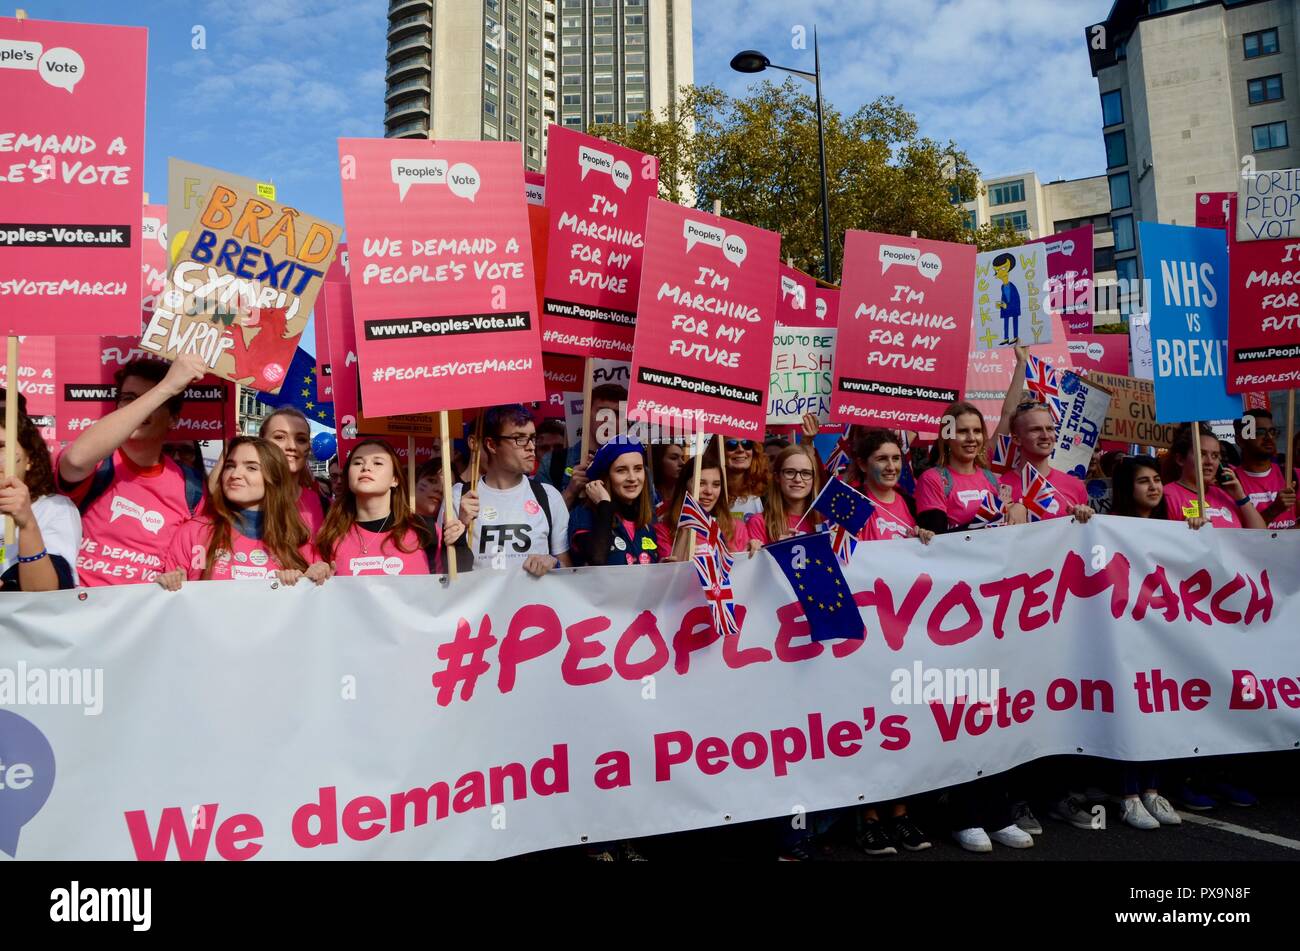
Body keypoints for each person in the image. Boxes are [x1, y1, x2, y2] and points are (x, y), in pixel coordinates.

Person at [56, 355, 209, 586]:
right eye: (128, 399)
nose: (137, 408)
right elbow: (75, 461)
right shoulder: (97, 462)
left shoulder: (193, 488)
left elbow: (191, 560)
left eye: (150, 399)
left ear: (173, 419)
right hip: (81, 613)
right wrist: (167, 387)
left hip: (143, 617)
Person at [1106, 455, 1187, 829]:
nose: (1154, 487)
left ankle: (1153, 790)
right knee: (1129, 712)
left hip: (1162, 634)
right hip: (1123, 634)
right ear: (1127, 488)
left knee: (1159, 709)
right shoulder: (1107, 529)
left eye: (1157, 479)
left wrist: (1196, 533)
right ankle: (1128, 795)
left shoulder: (1174, 529)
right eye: (1144, 481)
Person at [156, 437, 330, 589]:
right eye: (230, 466)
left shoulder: (297, 537)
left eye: (251, 468)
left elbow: (312, 608)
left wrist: (315, 578)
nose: (235, 474)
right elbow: (172, 607)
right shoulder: (193, 532)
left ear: (275, 479)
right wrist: (167, 584)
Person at [448, 405, 570, 577]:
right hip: (481, 603)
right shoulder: (459, 496)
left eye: (532, 438)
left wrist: (554, 563)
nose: (530, 447)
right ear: (491, 444)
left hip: (531, 603)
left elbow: (568, 570)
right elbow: (441, 572)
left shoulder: (549, 496)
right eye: (519, 438)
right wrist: (461, 527)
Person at [317, 439, 462, 576]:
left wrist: (460, 545)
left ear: (395, 479)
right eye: (357, 463)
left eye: (378, 463)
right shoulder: (329, 535)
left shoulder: (425, 531)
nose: (366, 467)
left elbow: (454, 589)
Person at [915, 401, 1027, 535]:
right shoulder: (932, 479)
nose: (972, 438)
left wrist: (1019, 507)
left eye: (977, 431)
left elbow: (1009, 524)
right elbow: (938, 540)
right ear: (946, 437)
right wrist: (990, 523)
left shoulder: (991, 479)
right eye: (963, 431)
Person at [0, 408, 81, 592]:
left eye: (0, 447)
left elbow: (46, 593)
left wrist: (27, 524)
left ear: (30, 459)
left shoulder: (53, 508)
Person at [569, 437, 661, 567]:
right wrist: (605, 505)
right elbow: (597, 558)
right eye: (621, 470)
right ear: (605, 477)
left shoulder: (646, 522)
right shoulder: (584, 514)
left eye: (638, 469)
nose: (632, 478)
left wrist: (663, 569)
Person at [538, 382, 626, 509]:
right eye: (602, 412)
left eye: (617, 414)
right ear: (586, 413)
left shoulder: (636, 468)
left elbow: (646, 521)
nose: (609, 420)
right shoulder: (553, 462)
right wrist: (570, 492)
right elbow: (540, 521)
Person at [1162, 423, 1266, 529]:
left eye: (1215, 456)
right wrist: (1184, 530)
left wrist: (1241, 497)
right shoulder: (1167, 496)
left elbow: (1260, 535)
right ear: (1180, 459)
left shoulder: (1224, 495)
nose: (1210, 461)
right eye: (1201, 454)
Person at [658, 441, 749, 560]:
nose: (709, 491)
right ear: (684, 486)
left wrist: (755, 551)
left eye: (716, 485)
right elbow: (674, 572)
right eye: (700, 483)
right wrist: (686, 526)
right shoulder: (664, 529)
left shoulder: (736, 527)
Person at [852, 428, 935, 544]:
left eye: (896, 458)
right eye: (882, 459)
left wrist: (920, 541)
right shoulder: (850, 502)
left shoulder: (912, 504)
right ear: (862, 465)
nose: (891, 467)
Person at [260, 407, 329, 534]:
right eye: (280, 437)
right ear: (262, 442)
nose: (292, 446)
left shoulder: (326, 508)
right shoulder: (241, 501)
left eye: (301, 439)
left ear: (308, 448)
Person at [745, 444, 823, 547]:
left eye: (806, 473)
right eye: (790, 472)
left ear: (814, 479)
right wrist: (778, 549)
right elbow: (755, 563)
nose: (797, 479)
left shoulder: (826, 520)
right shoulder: (759, 523)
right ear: (777, 477)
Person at [1232, 409, 1296, 530]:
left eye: (1272, 431)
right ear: (1240, 440)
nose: (1269, 437)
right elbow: (1236, 535)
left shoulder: (1293, 475)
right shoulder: (1231, 484)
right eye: (1260, 432)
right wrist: (1274, 509)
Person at [723, 437, 768, 519]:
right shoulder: (708, 494)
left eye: (747, 444)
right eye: (731, 444)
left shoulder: (767, 492)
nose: (740, 450)